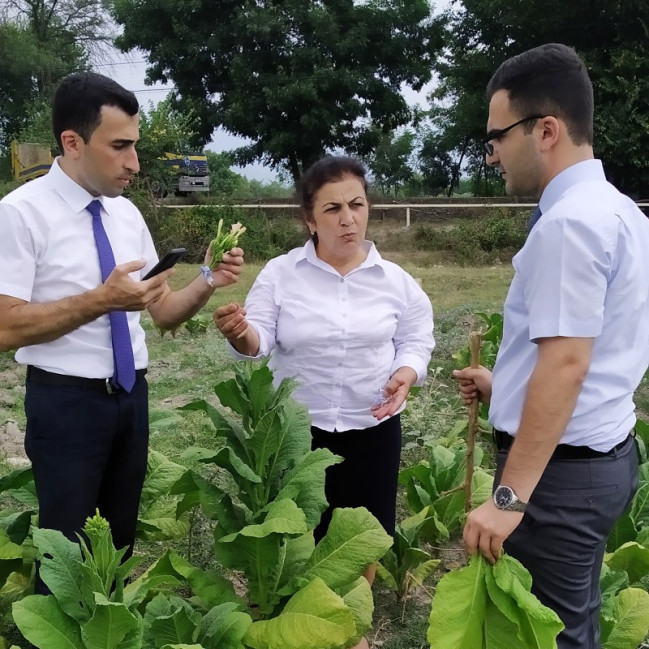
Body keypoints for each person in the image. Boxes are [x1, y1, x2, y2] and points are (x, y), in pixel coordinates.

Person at [0, 72, 244, 591]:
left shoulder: (126, 213)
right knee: (65, 557)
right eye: (120, 146)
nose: (134, 163)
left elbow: (162, 313)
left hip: (130, 398)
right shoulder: (20, 214)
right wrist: (101, 299)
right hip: (65, 404)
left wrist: (207, 279)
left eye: (134, 145)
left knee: (117, 544)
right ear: (72, 141)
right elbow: (4, 326)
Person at [454, 43, 648, 649]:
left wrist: (508, 498)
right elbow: (599, 343)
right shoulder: (622, 212)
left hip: (558, 479)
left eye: (496, 136)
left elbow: (566, 363)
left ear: (546, 130)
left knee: (550, 637)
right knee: (570, 621)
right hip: (598, 457)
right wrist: (503, 388)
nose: (492, 155)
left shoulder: (568, 225)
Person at [215, 156, 434, 646]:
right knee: (297, 534)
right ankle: (298, 626)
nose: (347, 218)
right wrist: (240, 334)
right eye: (332, 208)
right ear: (309, 219)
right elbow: (260, 339)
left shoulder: (395, 281)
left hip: (371, 427)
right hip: (297, 431)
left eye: (356, 205)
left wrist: (406, 372)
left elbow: (417, 337)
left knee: (363, 534)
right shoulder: (281, 274)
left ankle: (348, 625)